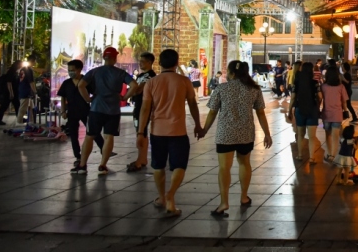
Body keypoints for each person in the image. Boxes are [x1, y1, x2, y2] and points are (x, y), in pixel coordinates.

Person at [200, 60, 272, 217]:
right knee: (244, 163)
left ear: (232, 73)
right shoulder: (254, 89)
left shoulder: (221, 88)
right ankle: (244, 197)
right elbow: (260, 113)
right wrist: (267, 134)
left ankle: (224, 202)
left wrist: (204, 130)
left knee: (224, 168)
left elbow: (212, 112)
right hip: (246, 133)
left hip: (225, 134)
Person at [138, 49, 202, 217]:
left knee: (158, 165)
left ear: (159, 63)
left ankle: (161, 197)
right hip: (178, 131)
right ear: (176, 63)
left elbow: (145, 109)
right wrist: (197, 124)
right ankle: (170, 195)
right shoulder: (184, 81)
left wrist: (140, 131)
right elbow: (193, 104)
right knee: (179, 165)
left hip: (157, 131)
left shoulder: (151, 83)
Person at [73, 47, 139, 176]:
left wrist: (88, 99)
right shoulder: (120, 73)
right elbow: (134, 85)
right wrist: (125, 97)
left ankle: (82, 166)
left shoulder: (95, 71)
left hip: (96, 109)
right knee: (109, 137)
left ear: (104, 57)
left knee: (89, 136)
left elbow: (81, 85)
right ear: (115, 58)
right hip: (113, 110)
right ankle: (103, 165)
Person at [59, 60, 104, 169]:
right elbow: (63, 97)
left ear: (79, 69)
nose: (70, 72)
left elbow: (96, 93)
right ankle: (78, 156)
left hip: (85, 111)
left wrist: (91, 100)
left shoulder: (86, 81)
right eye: (69, 70)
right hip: (72, 112)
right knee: (73, 135)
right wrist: (63, 111)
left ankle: (104, 149)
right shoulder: (66, 83)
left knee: (93, 132)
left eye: (73, 70)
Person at [123, 52, 156, 173]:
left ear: (149, 62)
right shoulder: (142, 75)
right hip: (138, 106)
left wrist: (127, 95)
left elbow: (138, 90)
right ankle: (142, 158)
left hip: (143, 106)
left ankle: (141, 159)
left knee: (141, 132)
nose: (140, 63)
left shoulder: (150, 76)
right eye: (140, 61)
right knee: (140, 132)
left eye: (143, 61)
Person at [289, 61, 323, 163]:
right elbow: (320, 96)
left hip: (300, 109)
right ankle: (311, 158)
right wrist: (317, 105)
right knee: (312, 137)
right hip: (312, 110)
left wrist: (289, 110)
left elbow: (293, 97)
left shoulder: (297, 82)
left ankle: (300, 155)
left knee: (300, 135)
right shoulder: (315, 82)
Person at [320, 68, 349, 161]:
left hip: (326, 114)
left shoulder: (323, 87)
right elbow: (344, 102)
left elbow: (320, 98)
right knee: (335, 136)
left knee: (328, 135)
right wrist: (345, 111)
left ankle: (329, 153)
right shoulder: (341, 87)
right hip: (337, 114)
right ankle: (333, 155)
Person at [0, 61, 21, 126]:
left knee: (16, 105)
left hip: (13, 91)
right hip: (9, 92)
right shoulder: (11, 72)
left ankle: (19, 118)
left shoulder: (15, 72)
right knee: (5, 105)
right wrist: (11, 93)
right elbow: (9, 83)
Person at [15, 56, 36, 125]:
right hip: (26, 90)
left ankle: (31, 121)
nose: (35, 63)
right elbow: (31, 82)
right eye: (34, 61)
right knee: (23, 108)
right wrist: (35, 91)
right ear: (32, 61)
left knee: (30, 107)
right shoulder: (29, 70)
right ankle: (19, 121)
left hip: (22, 89)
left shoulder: (22, 69)